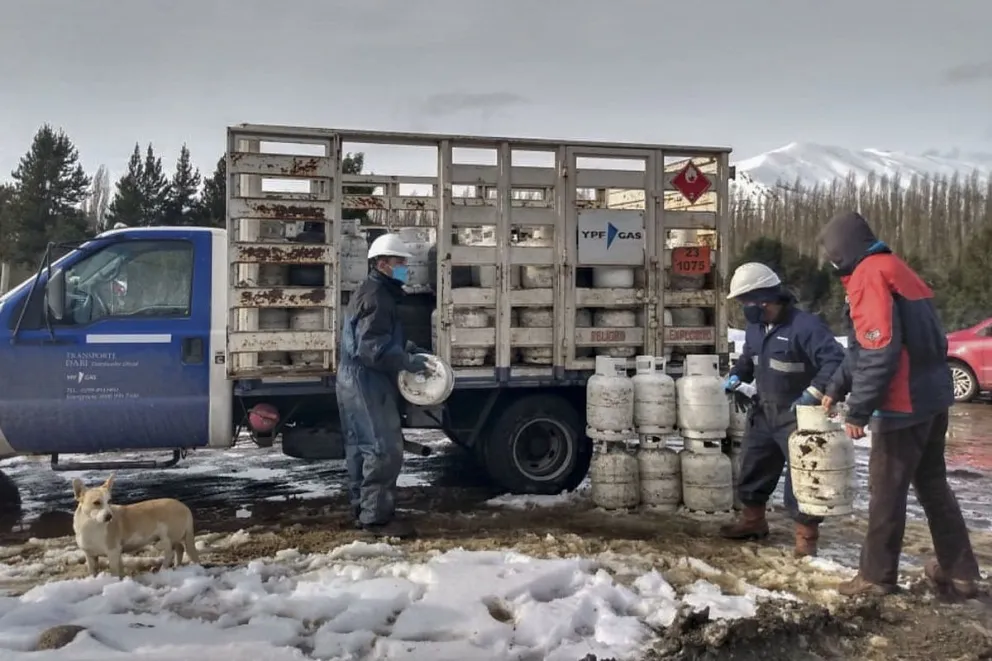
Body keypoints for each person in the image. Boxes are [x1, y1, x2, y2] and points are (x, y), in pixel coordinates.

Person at [818, 211, 980, 598]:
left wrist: (858, 410)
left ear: (842, 250)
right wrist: (837, 385)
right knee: (933, 485)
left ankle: (875, 577)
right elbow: (867, 346)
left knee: (886, 491)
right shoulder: (897, 268)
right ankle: (960, 572)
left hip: (902, 404)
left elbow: (879, 351)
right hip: (933, 398)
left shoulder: (869, 276)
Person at [719, 262, 846, 557]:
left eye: (745, 301)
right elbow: (750, 359)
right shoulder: (755, 328)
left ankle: (805, 541)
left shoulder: (806, 327)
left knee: (803, 477)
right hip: (764, 410)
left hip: (799, 414)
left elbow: (835, 361)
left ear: (765, 297)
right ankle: (753, 521)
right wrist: (738, 375)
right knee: (754, 466)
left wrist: (813, 393)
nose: (743, 308)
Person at [336, 232, 431, 539]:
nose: (405, 266)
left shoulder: (374, 290)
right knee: (383, 448)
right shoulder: (378, 296)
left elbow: (374, 337)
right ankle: (376, 520)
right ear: (382, 263)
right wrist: (404, 360)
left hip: (355, 377)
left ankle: (362, 510)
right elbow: (370, 347)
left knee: (361, 448)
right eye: (399, 261)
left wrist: (404, 347)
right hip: (366, 378)